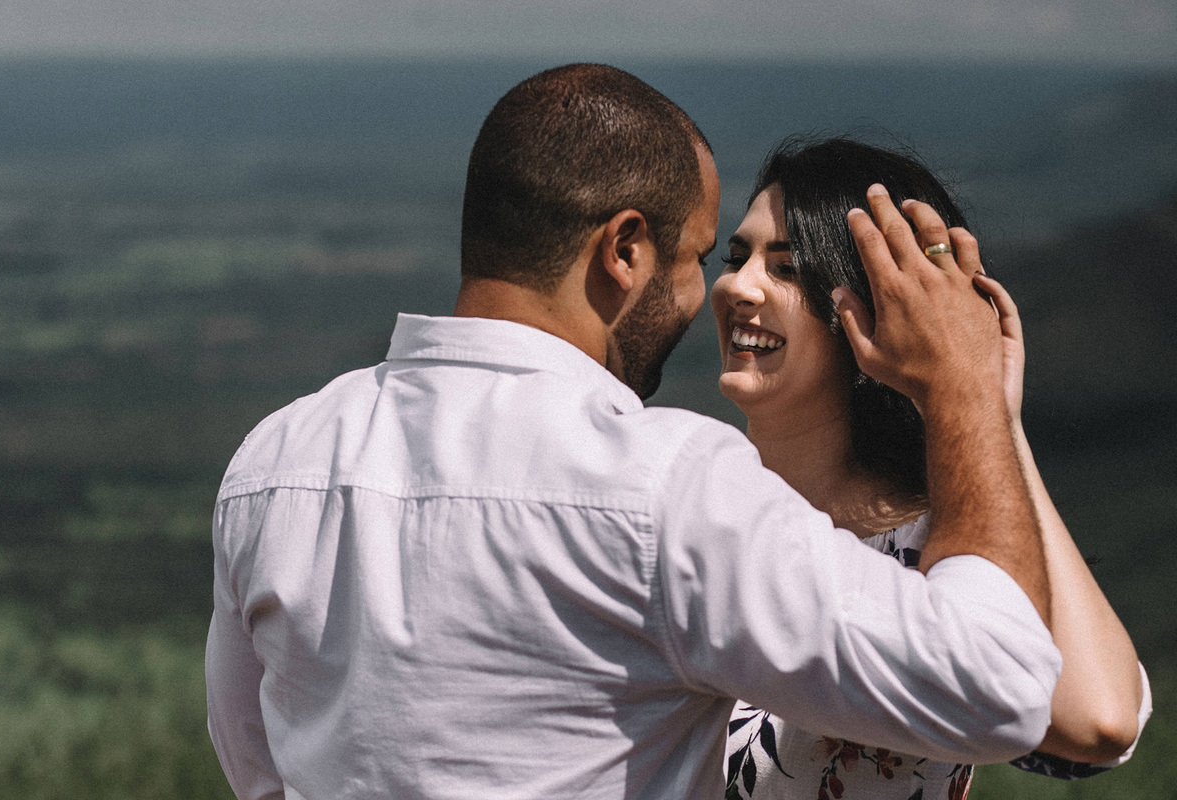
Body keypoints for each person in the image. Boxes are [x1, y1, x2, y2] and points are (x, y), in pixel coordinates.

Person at [205, 64, 1064, 800]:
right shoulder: (666, 484)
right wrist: (965, 391)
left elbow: (260, 763)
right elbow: (997, 684)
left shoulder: (276, 461)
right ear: (625, 251)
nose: (709, 296)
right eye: (697, 259)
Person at [717, 137, 1151, 800]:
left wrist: (982, 404)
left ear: (872, 310)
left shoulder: (945, 556)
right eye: (736, 257)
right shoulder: (695, 502)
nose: (739, 287)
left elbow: (1101, 721)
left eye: (787, 268)